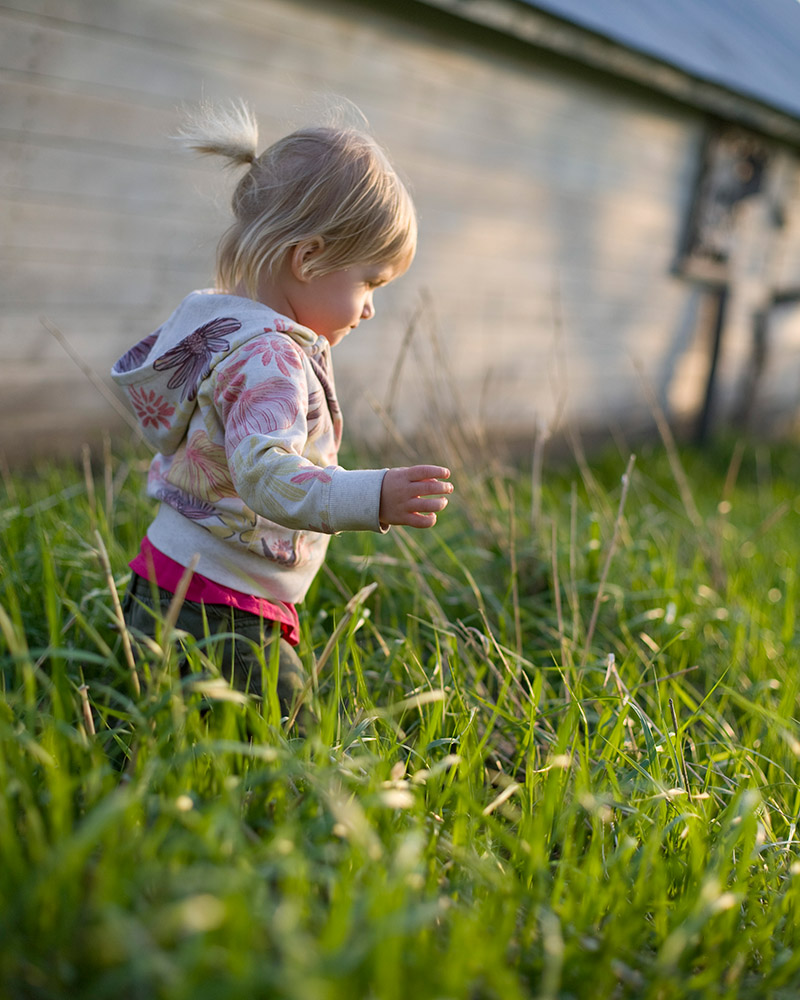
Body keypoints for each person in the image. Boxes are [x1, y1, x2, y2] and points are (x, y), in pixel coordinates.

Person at [111, 100, 453, 723]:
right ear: (309, 260)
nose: (370, 308)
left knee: (151, 724)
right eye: (370, 282)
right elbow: (265, 474)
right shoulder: (271, 358)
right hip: (221, 602)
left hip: (166, 574)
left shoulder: (228, 330)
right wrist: (371, 497)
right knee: (292, 740)